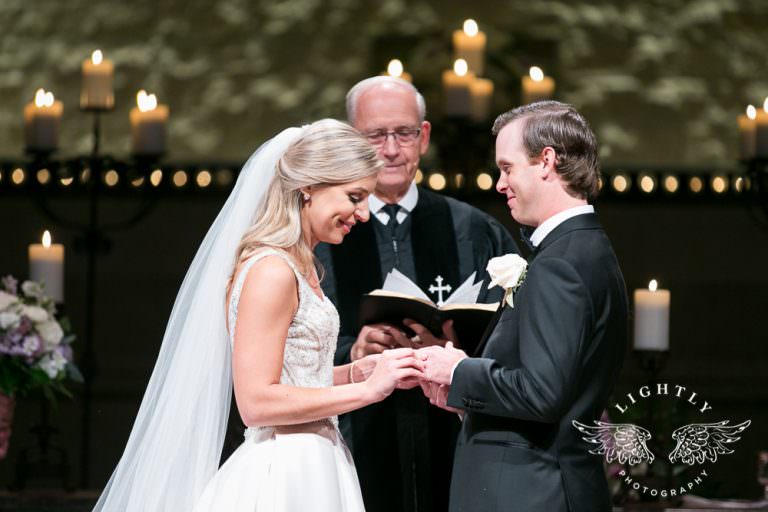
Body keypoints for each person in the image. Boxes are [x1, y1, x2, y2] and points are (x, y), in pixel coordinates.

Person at [93, 119, 424, 512]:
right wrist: (367, 392)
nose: (364, 213)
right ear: (309, 188)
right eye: (354, 196)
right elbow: (256, 401)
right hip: (284, 469)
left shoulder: (300, 265)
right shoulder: (272, 270)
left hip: (315, 458)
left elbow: (293, 375)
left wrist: (356, 372)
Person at [315, 76, 518, 512]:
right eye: (374, 135)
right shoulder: (322, 233)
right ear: (352, 139)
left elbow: (518, 338)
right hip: (354, 435)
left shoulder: (474, 230)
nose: (391, 149)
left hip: (454, 434)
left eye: (404, 133)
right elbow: (289, 345)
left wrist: (452, 352)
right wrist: (354, 353)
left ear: (423, 137)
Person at [419, 101, 629, 512]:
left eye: (507, 167)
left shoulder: (561, 263)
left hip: (533, 493)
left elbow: (543, 392)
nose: (500, 183)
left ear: (547, 161)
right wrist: (464, 394)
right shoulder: (585, 249)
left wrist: (458, 369)